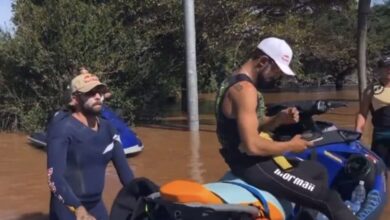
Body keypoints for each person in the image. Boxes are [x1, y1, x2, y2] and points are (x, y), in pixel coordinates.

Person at [215, 37, 356, 220]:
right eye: (276, 70)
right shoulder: (245, 90)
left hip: (252, 160)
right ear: (263, 61)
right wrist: (290, 145)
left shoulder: (234, 81)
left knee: (317, 170)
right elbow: (252, 146)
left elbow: (251, 125)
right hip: (252, 165)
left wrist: (278, 119)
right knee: (330, 200)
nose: (277, 76)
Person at [47, 72, 134, 220]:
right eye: (90, 93)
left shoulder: (108, 129)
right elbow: (54, 178)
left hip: (96, 205)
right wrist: (78, 209)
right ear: (74, 100)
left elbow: (125, 173)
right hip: (68, 208)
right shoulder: (62, 130)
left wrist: (141, 195)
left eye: (100, 92)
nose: (97, 96)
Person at [356, 53, 390, 168]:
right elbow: (362, 113)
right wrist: (357, 133)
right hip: (381, 135)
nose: (389, 69)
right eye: (386, 67)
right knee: (380, 169)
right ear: (380, 70)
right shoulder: (371, 90)